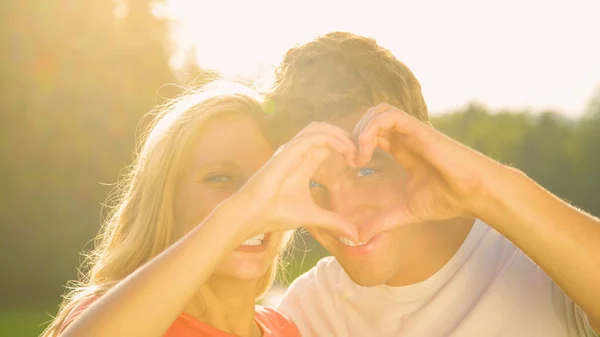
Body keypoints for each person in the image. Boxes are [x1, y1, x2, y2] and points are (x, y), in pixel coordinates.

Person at [266, 32, 600, 336]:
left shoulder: (536, 258)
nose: (341, 210)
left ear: (420, 151)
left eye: (365, 172)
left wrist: (484, 188)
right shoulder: (311, 309)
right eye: (313, 184)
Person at [42, 80, 359, 337]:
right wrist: (239, 214)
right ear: (166, 200)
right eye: (220, 177)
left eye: (267, 178)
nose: (255, 201)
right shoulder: (113, 316)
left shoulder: (286, 329)